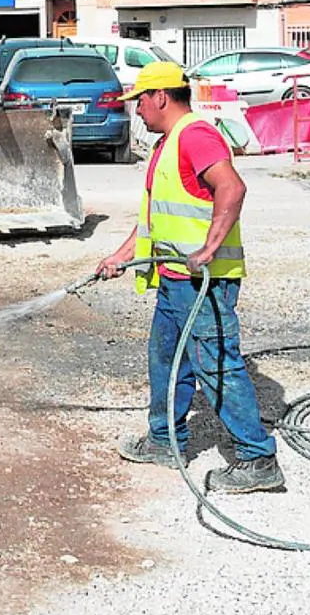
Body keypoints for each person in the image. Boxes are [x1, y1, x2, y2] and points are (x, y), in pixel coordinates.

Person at [95, 61, 283, 494]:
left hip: (204, 285)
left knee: (215, 364)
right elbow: (154, 222)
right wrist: (120, 257)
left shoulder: (195, 135)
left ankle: (257, 458)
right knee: (168, 360)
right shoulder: (167, 143)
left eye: (140, 101)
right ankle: (164, 440)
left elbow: (231, 188)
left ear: (160, 96)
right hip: (175, 282)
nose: (137, 111)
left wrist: (209, 249)